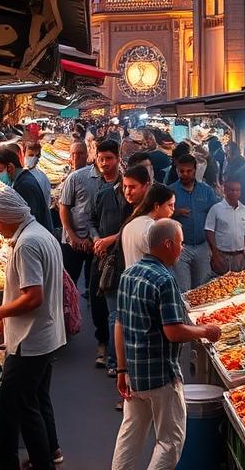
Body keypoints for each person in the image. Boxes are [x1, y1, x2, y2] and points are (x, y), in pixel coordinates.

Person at [111, 219, 222, 470]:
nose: (182, 249)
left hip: (134, 374)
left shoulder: (128, 274)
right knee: (170, 442)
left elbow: (119, 324)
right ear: (168, 244)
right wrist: (204, 331)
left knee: (130, 435)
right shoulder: (164, 280)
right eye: (180, 243)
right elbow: (173, 331)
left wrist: (121, 370)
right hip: (160, 374)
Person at [0, 187, 67, 470]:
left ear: (5, 216)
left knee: (19, 405)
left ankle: (34, 464)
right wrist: (3, 324)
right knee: (32, 401)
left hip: (30, 340)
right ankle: (28, 460)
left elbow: (33, 297)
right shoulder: (40, 233)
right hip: (44, 334)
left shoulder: (27, 244)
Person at [59, 139, 120, 367]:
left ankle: (105, 344)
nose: (105, 163)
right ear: (95, 156)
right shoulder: (77, 178)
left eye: (109, 158)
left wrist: (100, 240)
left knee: (100, 294)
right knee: (67, 286)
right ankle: (63, 331)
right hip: (76, 242)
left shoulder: (122, 184)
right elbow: (64, 207)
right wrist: (75, 237)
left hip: (105, 249)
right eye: (102, 158)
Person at [93, 165, 153, 386]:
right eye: (125, 187)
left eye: (132, 187)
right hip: (119, 271)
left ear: (146, 186)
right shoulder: (119, 203)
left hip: (130, 273)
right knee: (118, 318)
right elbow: (93, 220)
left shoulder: (144, 214)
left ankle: (121, 367)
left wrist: (110, 240)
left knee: (122, 319)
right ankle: (118, 365)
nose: (128, 192)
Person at [169, 155, 221, 290]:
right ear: (177, 171)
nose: (185, 174)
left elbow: (214, 215)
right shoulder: (170, 192)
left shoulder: (206, 190)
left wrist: (214, 248)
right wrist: (175, 212)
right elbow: (160, 217)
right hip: (181, 249)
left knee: (204, 288)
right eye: (181, 171)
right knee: (184, 289)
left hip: (202, 247)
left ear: (195, 170)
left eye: (189, 171)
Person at [0, 147, 53, 234]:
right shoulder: (24, 178)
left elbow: (28, 219)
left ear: (10, 167)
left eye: (0, 171)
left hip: (38, 235)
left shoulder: (24, 186)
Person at [123, 183, 176, 269]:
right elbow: (164, 258)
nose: (173, 209)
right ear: (156, 206)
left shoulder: (130, 224)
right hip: (148, 279)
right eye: (170, 205)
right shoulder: (152, 228)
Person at [206, 179, 245, 274]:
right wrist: (215, 253)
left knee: (238, 284)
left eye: (237, 190)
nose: (235, 192)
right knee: (220, 284)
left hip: (239, 256)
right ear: (225, 190)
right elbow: (209, 231)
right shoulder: (216, 209)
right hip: (222, 255)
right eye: (232, 190)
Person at [23, 139, 53, 212]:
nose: (33, 158)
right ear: (23, 154)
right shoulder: (19, 175)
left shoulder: (42, 178)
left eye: (36, 156)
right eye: (30, 155)